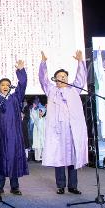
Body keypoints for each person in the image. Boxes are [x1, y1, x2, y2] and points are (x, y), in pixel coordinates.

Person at [39, 50, 88, 195]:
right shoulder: (51, 90)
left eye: (65, 76)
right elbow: (43, 79)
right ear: (55, 79)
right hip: (57, 130)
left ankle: (73, 186)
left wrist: (80, 62)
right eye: (60, 76)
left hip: (72, 129)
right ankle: (60, 185)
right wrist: (43, 64)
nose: (63, 78)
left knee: (73, 156)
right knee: (59, 157)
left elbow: (81, 77)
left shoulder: (74, 89)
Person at [0, 59, 28, 196]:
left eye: (8, 85)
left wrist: (21, 71)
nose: (5, 86)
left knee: (14, 159)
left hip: (13, 135)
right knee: (0, 159)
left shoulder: (16, 97)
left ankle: (14, 186)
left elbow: (23, 84)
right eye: (2, 85)